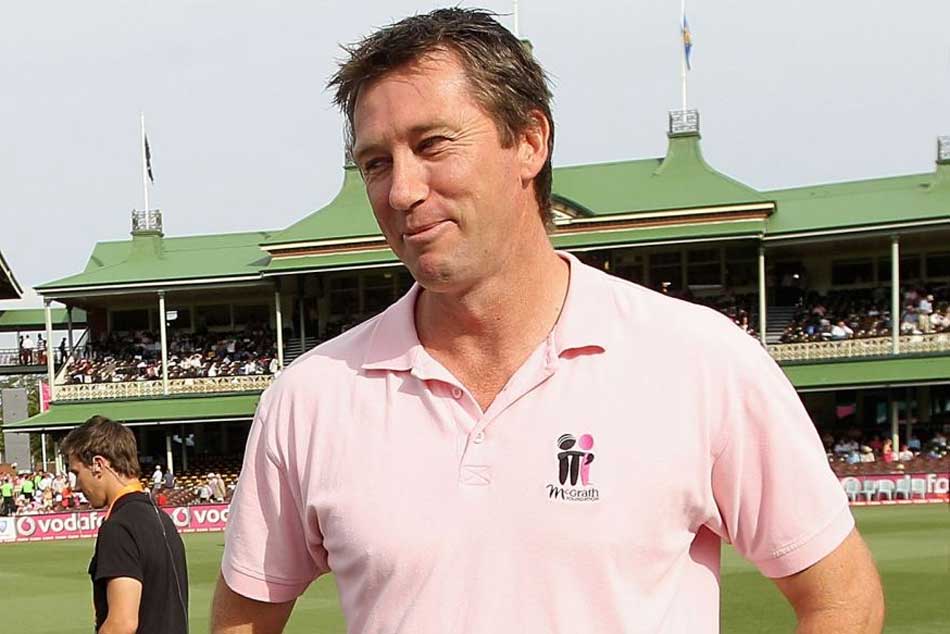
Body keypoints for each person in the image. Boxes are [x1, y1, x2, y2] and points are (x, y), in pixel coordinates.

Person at [212, 8, 883, 633]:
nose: (402, 191)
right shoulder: (310, 397)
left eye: (433, 144)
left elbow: (842, 596)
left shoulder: (700, 359)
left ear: (529, 141)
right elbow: (242, 619)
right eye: (376, 163)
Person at [62, 416, 189, 633]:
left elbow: (122, 624)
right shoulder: (161, 518)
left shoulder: (118, 527)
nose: (76, 486)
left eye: (76, 473)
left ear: (98, 464)